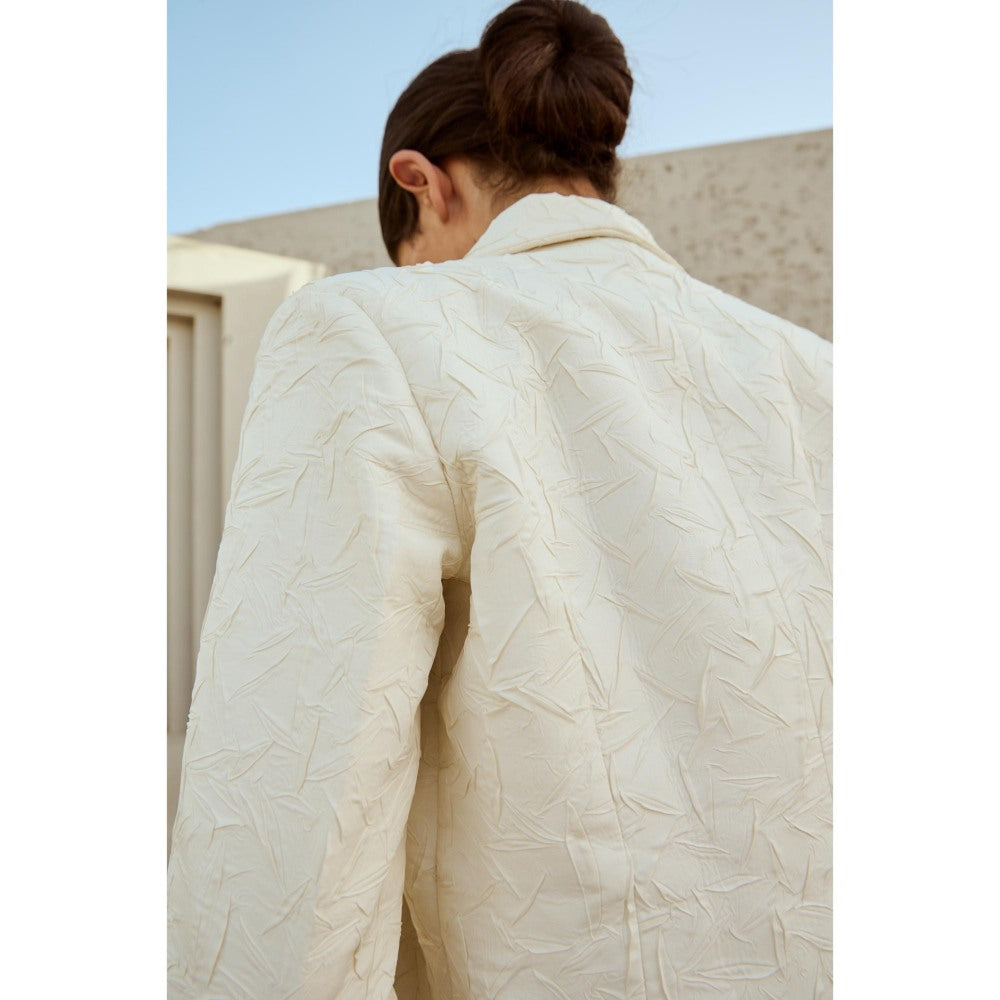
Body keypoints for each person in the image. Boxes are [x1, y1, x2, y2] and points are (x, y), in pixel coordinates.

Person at [166, 1, 832, 998]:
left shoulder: (369, 329)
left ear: (422, 184)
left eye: (412, 258)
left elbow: (294, 797)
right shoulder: (816, 374)